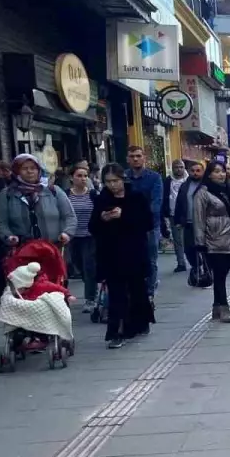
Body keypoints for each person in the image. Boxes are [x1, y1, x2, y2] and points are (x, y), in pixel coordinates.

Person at [91, 164, 153, 348]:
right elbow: (92, 227)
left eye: (116, 181)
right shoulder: (102, 199)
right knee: (117, 293)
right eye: (108, 182)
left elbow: (147, 222)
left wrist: (124, 216)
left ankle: (140, 322)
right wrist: (104, 218)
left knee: (136, 289)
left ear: (123, 179)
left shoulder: (136, 196)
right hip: (111, 253)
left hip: (134, 251)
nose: (112, 185)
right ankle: (117, 331)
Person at [0, 153, 75, 249]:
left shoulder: (53, 191)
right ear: (17, 171)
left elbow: (69, 216)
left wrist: (66, 233)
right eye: (24, 168)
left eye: (33, 168)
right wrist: (8, 236)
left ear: (39, 170)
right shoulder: (7, 194)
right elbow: (0, 222)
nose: (29, 171)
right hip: (22, 251)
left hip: (53, 249)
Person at [194, 161, 230, 322]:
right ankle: (224, 307)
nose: (221, 174)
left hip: (229, 236)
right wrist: (200, 243)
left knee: (223, 273)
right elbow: (198, 218)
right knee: (219, 274)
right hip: (213, 238)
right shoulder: (203, 192)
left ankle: (216, 307)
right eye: (217, 171)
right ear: (209, 174)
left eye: (223, 171)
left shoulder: (227, 190)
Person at [123, 146, 163, 295]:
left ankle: (150, 291)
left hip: (150, 226)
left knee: (150, 260)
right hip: (128, 226)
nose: (135, 159)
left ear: (144, 158)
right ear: (128, 159)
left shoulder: (154, 177)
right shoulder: (124, 177)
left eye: (138, 156)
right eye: (132, 156)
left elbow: (156, 203)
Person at [65, 163, 98, 312]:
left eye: (85, 176)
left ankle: (90, 298)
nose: (83, 179)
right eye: (79, 176)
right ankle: (91, 287)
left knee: (89, 266)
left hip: (89, 236)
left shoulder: (92, 194)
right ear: (72, 178)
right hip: (71, 237)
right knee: (77, 266)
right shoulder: (66, 195)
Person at [174, 160, 205, 282]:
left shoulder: (207, 185)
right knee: (189, 249)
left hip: (204, 224)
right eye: (192, 171)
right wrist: (178, 220)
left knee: (204, 249)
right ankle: (196, 266)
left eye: (198, 171)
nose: (195, 173)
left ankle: (206, 273)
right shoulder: (185, 186)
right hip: (189, 223)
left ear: (203, 172)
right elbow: (179, 203)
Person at [162, 159, 189, 273]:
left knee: (192, 239)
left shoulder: (189, 180)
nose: (179, 169)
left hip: (189, 214)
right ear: (172, 168)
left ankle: (197, 262)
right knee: (178, 240)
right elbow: (164, 197)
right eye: (176, 167)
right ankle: (181, 263)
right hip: (173, 215)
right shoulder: (167, 181)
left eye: (181, 167)